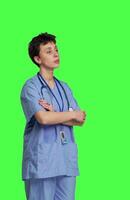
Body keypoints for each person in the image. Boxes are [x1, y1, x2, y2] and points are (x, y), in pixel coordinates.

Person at [20, 32, 86, 200]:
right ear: (37, 59)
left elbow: (80, 119)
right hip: (42, 162)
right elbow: (43, 119)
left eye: (56, 49)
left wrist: (55, 113)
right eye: (48, 51)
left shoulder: (64, 87)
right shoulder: (31, 87)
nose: (56, 54)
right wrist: (68, 115)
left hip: (66, 159)